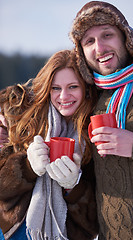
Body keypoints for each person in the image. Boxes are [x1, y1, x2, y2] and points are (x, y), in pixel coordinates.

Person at [67, 1, 133, 239]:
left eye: (107, 35)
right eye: (89, 41)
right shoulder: (91, 95)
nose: (99, 48)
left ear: (125, 38)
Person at [0, 49, 98, 240]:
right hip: (11, 231)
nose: (63, 96)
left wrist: (72, 186)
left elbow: (93, 221)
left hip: (62, 234)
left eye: (72, 87)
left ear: (85, 88)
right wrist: (27, 167)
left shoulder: (93, 131)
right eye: (55, 88)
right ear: (47, 87)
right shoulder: (23, 114)